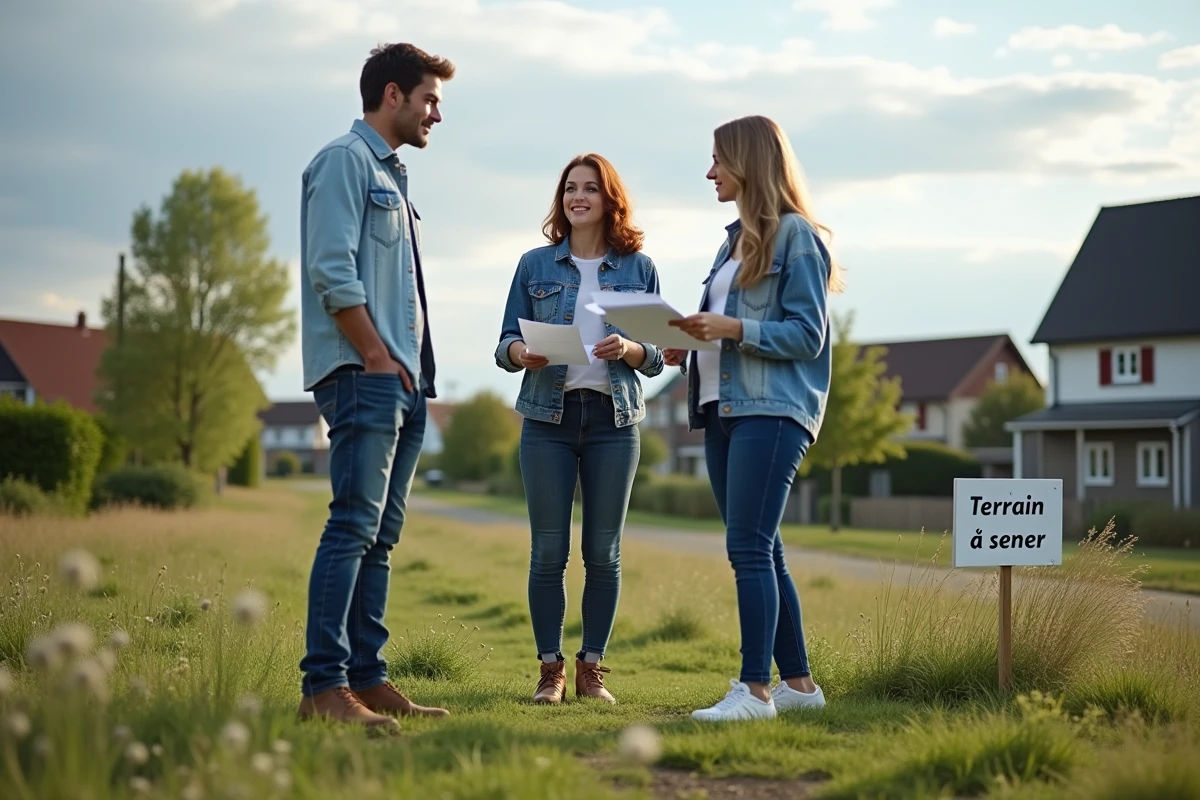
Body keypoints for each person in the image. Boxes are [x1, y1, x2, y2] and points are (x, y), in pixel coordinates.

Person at [664, 115, 845, 722]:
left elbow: (807, 334)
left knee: (746, 546)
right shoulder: (732, 242)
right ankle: (798, 686)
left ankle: (754, 691)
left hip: (771, 410)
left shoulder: (797, 236)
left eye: (718, 159)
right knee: (765, 549)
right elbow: (724, 327)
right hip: (721, 409)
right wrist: (689, 342)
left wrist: (733, 328)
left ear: (748, 162)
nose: (710, 172)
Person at [296, 43, 455, 732]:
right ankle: (323, 688)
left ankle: (367, 676)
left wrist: (410, 373)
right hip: (366, 377)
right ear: (393, 95)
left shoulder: (394, 177)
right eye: (430, 100)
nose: (436, 115)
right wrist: (376, 358)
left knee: (381, 536)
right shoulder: (343, 163)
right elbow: (332, 272)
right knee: (353, 525)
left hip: (405, 384)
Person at [494, 154, 665, 705]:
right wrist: (522, 352)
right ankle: (551, 671)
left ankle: (591, 669)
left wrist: (633, 348)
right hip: (548, 420)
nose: (578, 197)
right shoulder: (534, 264)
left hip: (614, 422)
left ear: (608, 198)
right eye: (570, 188)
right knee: (548, 550)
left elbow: (658, 357)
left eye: (590, 188)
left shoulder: (639, 268)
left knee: (603, 552)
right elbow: (503, 344)